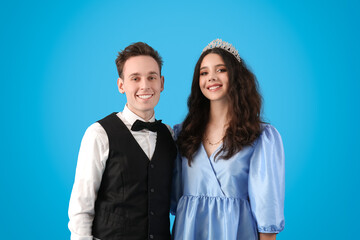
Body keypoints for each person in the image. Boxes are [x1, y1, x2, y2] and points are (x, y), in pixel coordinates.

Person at [171, 39, 285, 240]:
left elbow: (267, 212)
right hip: (188, 232)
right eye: (204, 73)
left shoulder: (259, 136)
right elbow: (172, 196)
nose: (211, 78)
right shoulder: (183, 134)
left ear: (236, 76)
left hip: (236, 232)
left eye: (220, 70)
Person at [68, 42, 177, 240]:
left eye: (151, 77)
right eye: (135, 78)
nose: (145, 85)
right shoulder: (99, 133)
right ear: (121, 85)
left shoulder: (170, 135)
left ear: (161, 83)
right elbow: (81, 207)